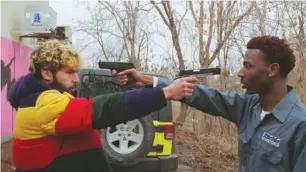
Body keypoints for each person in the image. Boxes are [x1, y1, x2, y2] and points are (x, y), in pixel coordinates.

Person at [118, 36, 306, 172]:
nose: (240, 73)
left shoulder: (303, 126)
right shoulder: (248, 106)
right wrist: (149, 80)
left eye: (248, 66)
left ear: (272, 70)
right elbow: (206, 96)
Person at [7, 39, 199, 172]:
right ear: (47, 73)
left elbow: (84, 107)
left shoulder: (37, 100)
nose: (76, 80)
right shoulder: (44, 103)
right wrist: (164, 93)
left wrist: (133, 85)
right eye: (70, 72)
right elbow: (101, 109)